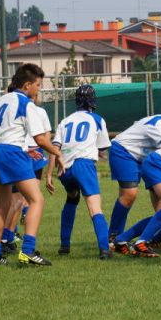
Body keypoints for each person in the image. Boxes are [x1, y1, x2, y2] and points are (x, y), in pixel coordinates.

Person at [0, 63, 65, 265]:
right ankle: (28, 251)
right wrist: (58, 153)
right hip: (11, 153)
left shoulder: (1, 101)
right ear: (27, 85)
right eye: (38, 85)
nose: (38, 89)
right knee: (36, 200)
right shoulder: (27, 104)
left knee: (2, 204)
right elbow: (41, 140)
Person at [46, 85, 112, 259]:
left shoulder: (65, 121)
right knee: (95, 208)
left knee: (72, 198)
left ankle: (64, 246)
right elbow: (103, 147)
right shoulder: (97, 119)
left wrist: (48, 174)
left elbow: (55, 148)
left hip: (65, 167)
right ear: (92, 101)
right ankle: (105, 249)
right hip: (84, 165)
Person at [108, 105, 161, 241]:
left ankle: (157, 239)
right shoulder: (160, 123)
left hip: (145, 161)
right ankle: (113, 236)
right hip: (124, 152)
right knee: (129, 195)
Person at [1, 87, 52, 254]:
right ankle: (11, 238)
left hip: (19, 154)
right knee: (26, 200)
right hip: (32, 155)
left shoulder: (11, 110)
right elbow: (45, 137)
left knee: (18, 200)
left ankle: (8, 235)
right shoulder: (38, 111)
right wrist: (54, 154)